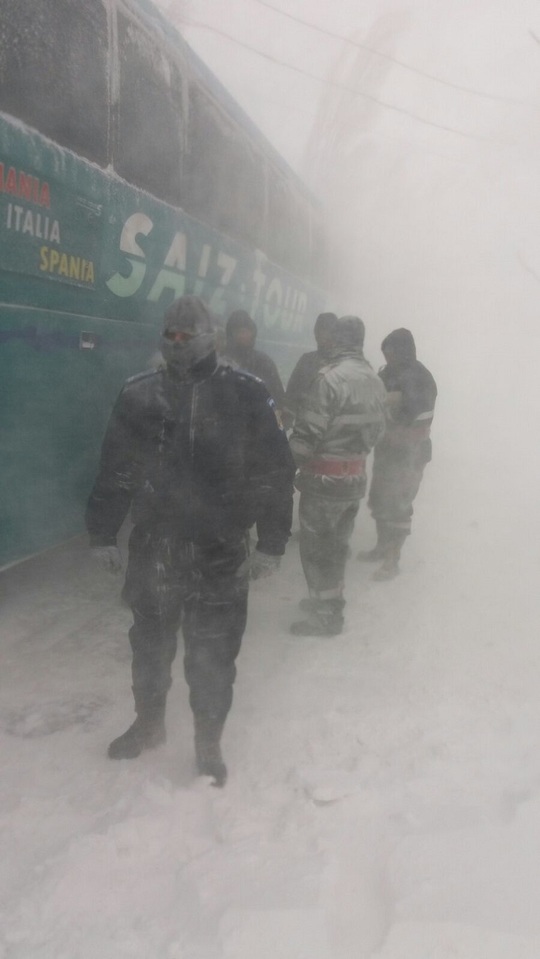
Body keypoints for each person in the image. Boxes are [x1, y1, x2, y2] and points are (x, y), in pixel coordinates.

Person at [86, 295, 295, 786]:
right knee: (149, 645)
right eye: (171, 336)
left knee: (214, 651)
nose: (178, 345)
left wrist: (273, 540)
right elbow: (117, 466)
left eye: (188, 336)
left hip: (220, 548)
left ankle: (208, 741)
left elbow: (275, 472)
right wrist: (102, 532)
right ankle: (150, 723)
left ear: (211, 337)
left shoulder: (246, 392)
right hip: (155, 544)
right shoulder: (139, 394)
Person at [289, 315, 386, 636]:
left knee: (318, 550)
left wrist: (284, 465)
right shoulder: (373, 379)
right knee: (337, 547)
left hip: (323, 482)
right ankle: (329, 602)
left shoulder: (329, 379)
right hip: (354, 479)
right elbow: (378, 432)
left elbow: (306, 437)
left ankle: (325, 616)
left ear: (338, 339)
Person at [359, 328, 437, 580]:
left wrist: (398, 406)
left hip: (410, 452)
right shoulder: (387, 374)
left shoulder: (422, 377)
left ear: (403, 350)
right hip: (387, 449)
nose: (388, 358)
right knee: (380, 499)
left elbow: (421, 413)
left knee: (399, 504)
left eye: (391, 353)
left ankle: (393, 560)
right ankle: (382, 547)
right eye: (385, 354)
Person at [282, 312, 338, 430]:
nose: (322, 337)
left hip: (331, 438)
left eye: (328, 332)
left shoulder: (343, 365)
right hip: (305, 434)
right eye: (319, 332)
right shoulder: (306, 360)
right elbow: (291, 398)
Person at [223, 309, 286, 412]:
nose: (241, 336)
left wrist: (276, 424)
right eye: (237, 331)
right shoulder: (220, 360)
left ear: (253, 333)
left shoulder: (263, 362)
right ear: (230, 335)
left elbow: (278, 400)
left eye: (245, 331)